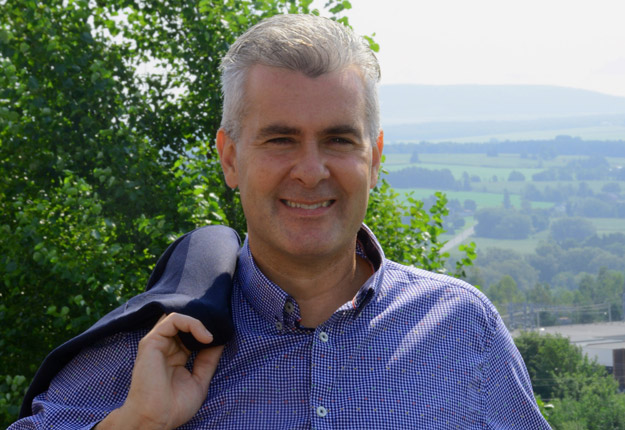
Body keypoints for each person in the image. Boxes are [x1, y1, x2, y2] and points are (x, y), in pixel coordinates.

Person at [10, 14, 551, 429]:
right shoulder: (154, 345)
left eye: (339, 140)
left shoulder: (460, 327)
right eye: (279, 139)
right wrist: (138, 423)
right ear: (229, 159)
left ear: (375, 158)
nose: (311, 171)